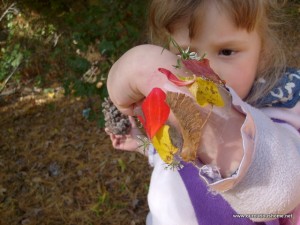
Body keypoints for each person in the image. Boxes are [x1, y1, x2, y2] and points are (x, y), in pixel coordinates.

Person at [105, 0, 300, 224]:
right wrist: (143, 145)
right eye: (186, 55)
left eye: (226, 52)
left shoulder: (278, 112)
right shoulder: (173, 106)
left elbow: (277, 191)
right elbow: (175, 157)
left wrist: (147, 70)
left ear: (262, 54)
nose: (207, 70)